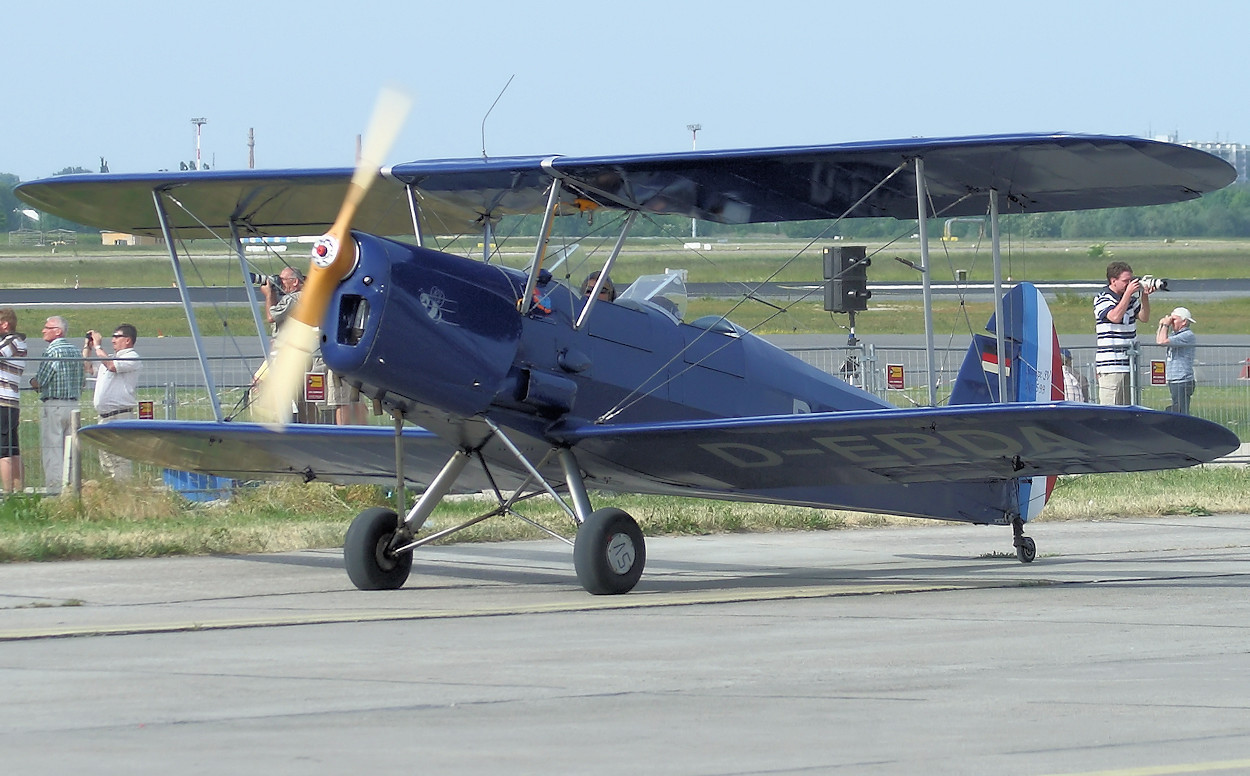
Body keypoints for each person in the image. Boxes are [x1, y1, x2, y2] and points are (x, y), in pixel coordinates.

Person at [29, 315, 83, 495]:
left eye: (47, 327)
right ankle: (72, 489)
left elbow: (42, 380)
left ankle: (55, 491)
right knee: (71, 451)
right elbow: (82, 380)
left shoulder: (52, 351)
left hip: (54, 404)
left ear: (58, 331)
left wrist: (32, 383)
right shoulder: (75, 351)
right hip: (74, 404)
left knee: (53, 450)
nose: (43, 330)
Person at [1093, 261, 1154, 405]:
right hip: (1111, 365)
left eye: (1131, 280)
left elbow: (1144, 317)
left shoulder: (1131, 301)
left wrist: (1144, 296)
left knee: (1130, 407)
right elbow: (1115, 317)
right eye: (1126, 281)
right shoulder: (1103, 298)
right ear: (1113, 281)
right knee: (1111, 408)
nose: (1129, 284)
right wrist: (1127, 294)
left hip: (1130, 363)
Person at [85, 324, 142, 479]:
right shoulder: (109, 357)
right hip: (104, 417)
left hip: (120, 416)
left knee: (119, 458)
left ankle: (124, 490)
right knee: (106, 460)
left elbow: (111, 366)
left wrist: (98, 346)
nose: (113, 340)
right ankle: (113, 491)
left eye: (117, 336)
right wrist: (88, 347)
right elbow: (88, 367)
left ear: (128, 340)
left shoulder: (132, 357)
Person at [0, 308, 27, 494]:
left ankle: (9, 493)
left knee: (5, 452)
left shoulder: (13, 341)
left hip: (5, 402)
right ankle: (18, 492)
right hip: (8, 402)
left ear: (5, 324)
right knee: (12, 450)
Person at [1155, 307, 1197, 415]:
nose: (1171, 322)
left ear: (1184, 322)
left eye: (1174, 320)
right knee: (1176, 409)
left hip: (1182, 379)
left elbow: (1162, 342)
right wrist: (1161, 325)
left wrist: (1165, 325)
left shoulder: (1187, 335)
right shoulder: (1175, 335)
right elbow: (1159, 340)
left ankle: (1184, 430)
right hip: (1175, 379)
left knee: (1181, 412)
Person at [263, 266, 304, 335]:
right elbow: (277, 310)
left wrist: (268, 294)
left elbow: (271, 317)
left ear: (295, 281)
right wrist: (272, 291)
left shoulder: (293, 298)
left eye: (283, 279)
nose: (280, 282)